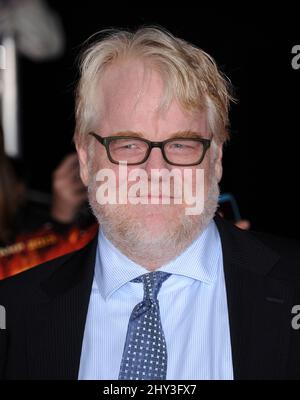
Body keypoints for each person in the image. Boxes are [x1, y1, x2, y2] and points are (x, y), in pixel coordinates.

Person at [0, 26, 299, 380]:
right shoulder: (14, 313)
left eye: (181, 144)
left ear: (216, 158)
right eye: (127, 144)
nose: (156, 171)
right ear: (85, 158)